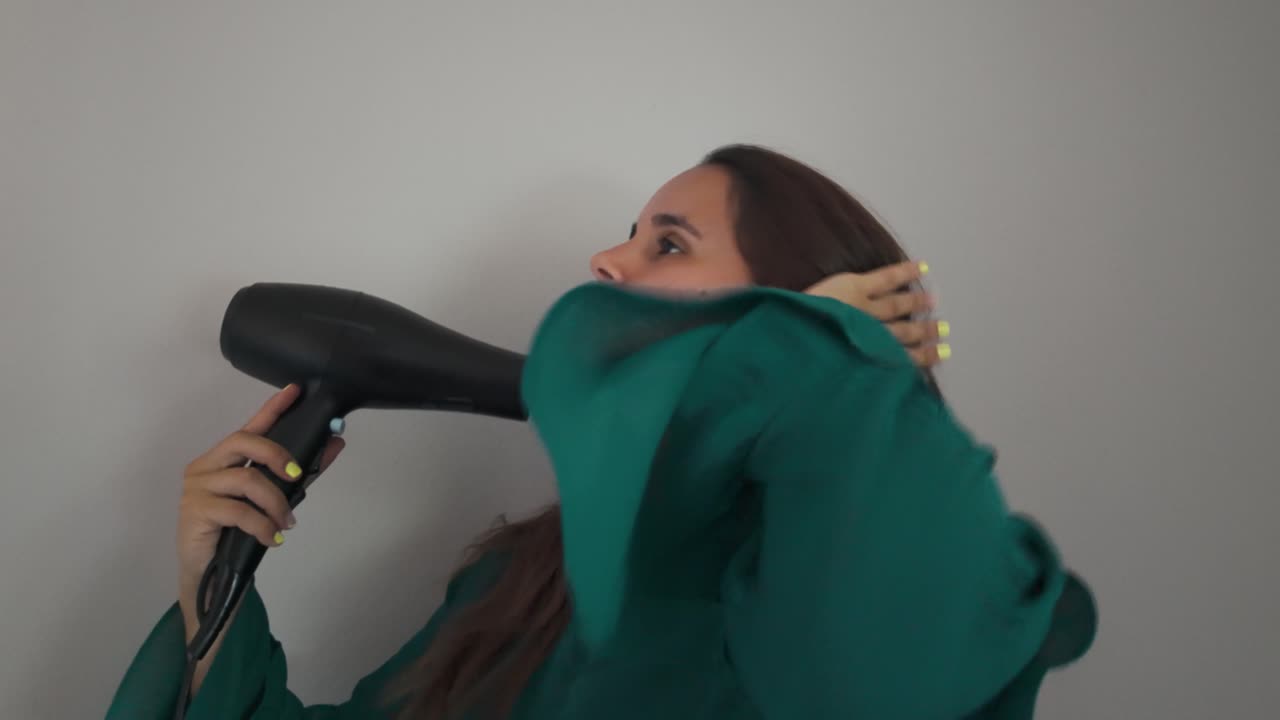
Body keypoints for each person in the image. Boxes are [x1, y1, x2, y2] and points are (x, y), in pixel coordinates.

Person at [107, 144, 1096, 719]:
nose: (604, 261)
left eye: (666, 242)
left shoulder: (887, 592)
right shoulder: (525, 579)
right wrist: (216, 603)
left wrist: (802, 367)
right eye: (630, 232)